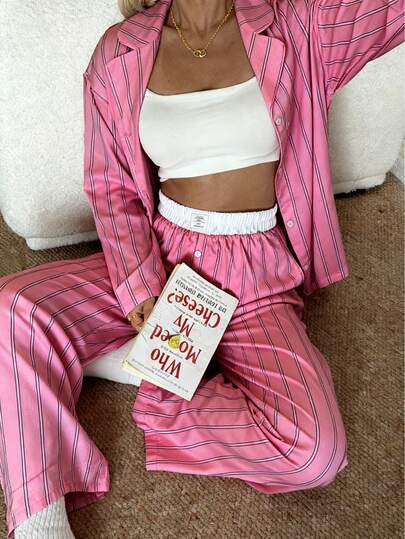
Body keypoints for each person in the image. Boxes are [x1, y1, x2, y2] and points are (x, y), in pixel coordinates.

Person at [0, 0, 403, 537]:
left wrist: (164, 386)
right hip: (162, 254)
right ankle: (39, 520)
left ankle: (149, 373)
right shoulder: (120, 52)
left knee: (313, 452)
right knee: (13, 307)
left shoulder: (298, 24)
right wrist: (140, 284)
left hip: (257, 274)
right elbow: (111, 186)